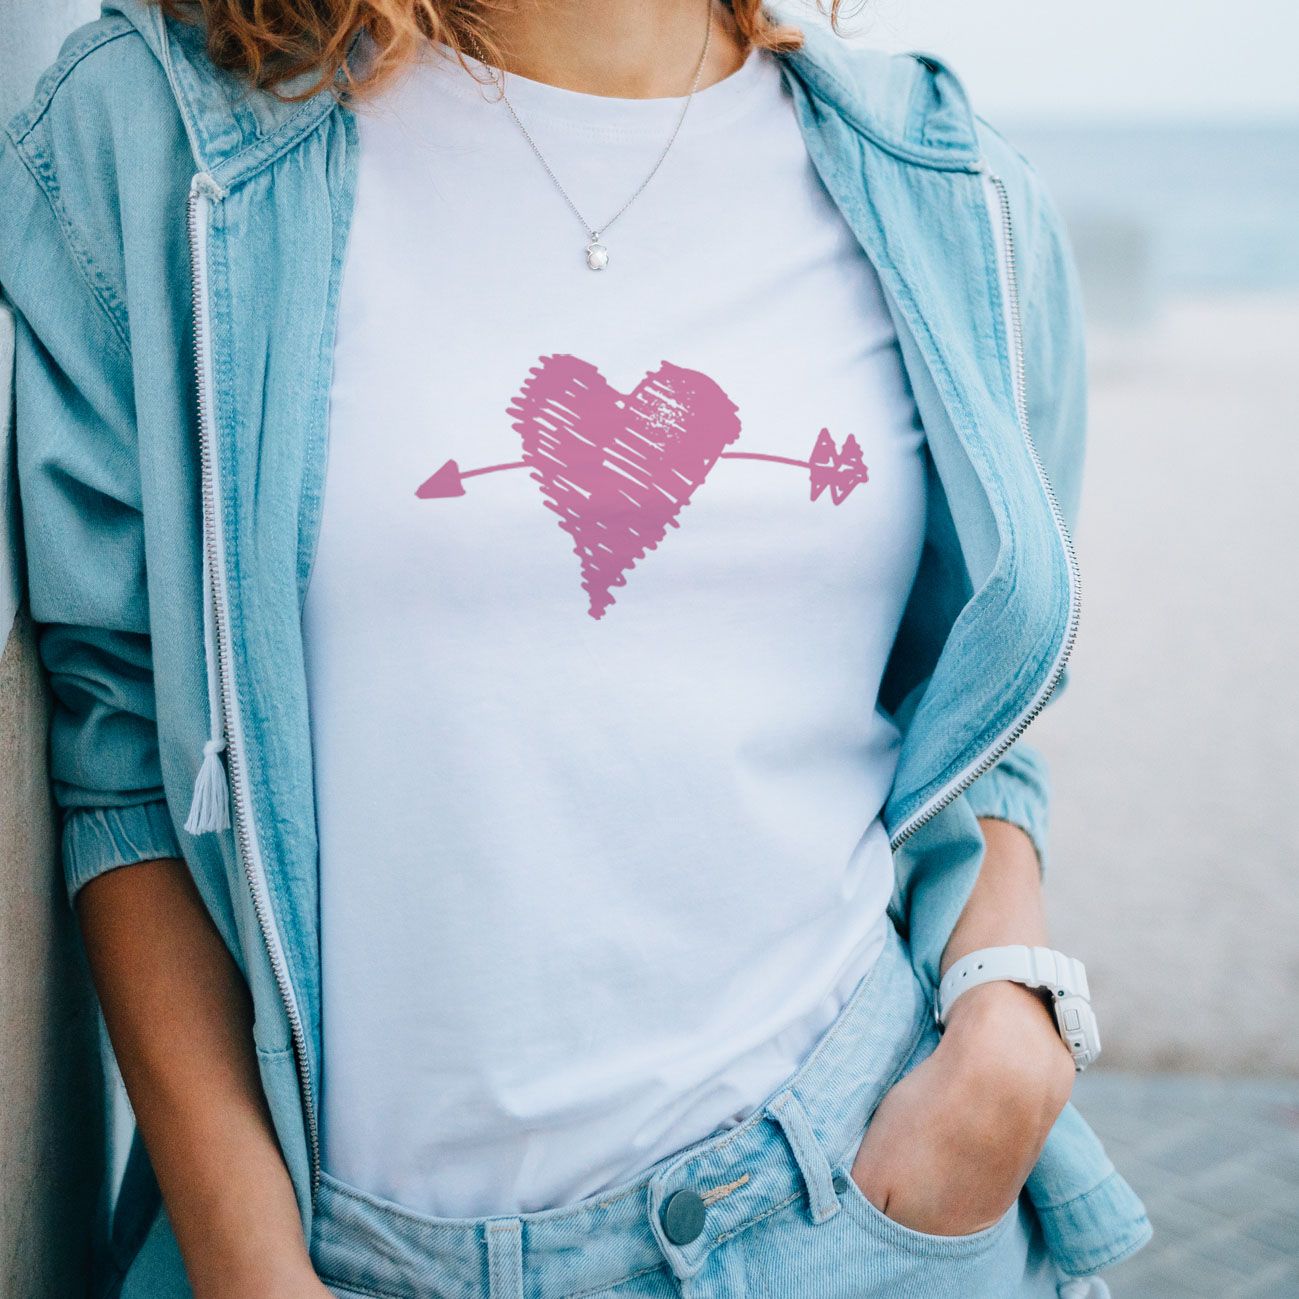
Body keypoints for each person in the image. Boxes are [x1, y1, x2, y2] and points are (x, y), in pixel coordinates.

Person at [0, 1, 1152, 1296]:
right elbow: (122, 745)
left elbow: (974, 716)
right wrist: (253, 1267)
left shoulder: (947, 183)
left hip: (862, 1211)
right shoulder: (162, 138)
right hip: (369, 1258)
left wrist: (1008, 1032)